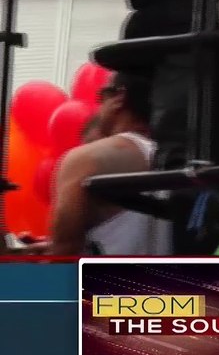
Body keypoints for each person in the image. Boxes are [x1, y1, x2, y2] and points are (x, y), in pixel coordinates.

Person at [48, 73, 171, 256]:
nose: (98, 107)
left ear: (119, 98)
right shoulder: (176, 158)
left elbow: (63, 255)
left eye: (101, 97)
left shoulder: (84, 160)